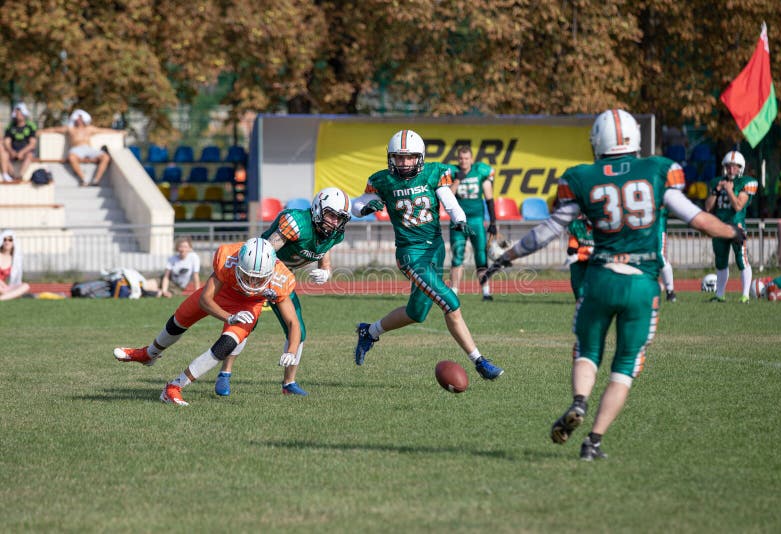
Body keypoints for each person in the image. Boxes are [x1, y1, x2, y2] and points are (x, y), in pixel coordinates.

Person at [481, 109, 745, 461]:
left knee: (587, 351)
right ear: (634, 139)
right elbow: (697, 218)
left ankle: (579, 401)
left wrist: (505, 257)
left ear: (597, 142)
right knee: (625, 367)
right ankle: (593, 441)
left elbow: (546, 232)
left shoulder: (582, 177)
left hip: (601, 276)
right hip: (642, 282)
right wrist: (734, 231)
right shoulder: (658, 170)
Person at [350, 129, 503, 380]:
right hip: (411, 255)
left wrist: (460, 220)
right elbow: (357, 205)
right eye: (399, 157)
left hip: (435, 249)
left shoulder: (433, 173)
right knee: (451, 304)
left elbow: (449, 201)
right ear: (391, 158)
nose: (404, 162)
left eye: (409, 157)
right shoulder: (383, 180)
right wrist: (367, 206)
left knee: (416, 313)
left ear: (419, 157)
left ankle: (370, 332)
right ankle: (480, 362)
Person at [113, 238, 301, 406]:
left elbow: (293, 322)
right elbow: (205, 300)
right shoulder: (228, 258)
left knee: (226, 344)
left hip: (249, 306)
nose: (252, 282)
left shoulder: (281, 278)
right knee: (180, 319)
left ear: (270, 271)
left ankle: (174, 386)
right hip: (221, 294)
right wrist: (228, 316)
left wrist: (292, 351)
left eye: (258, 278)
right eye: (247, 275)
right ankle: (148, 354)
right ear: (239, 265)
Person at [214, 187, 352, 397]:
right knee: (243, 326)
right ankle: (225, 373)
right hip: (259, 274)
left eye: (339, 218)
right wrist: (261, 282)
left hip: (281, 279)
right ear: (317, 209)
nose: (334, 222)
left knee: (298, 330)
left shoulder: (335, 231)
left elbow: (325, 247)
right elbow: (266, 253)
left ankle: (289, 383)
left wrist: (325, 269)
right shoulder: (296, 224)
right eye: (331, 215)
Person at [704, 150, 758, 303]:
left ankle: (745, 295)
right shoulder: (717, 182)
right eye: (728, 166)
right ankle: (720, 295)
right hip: (719, 226)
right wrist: (717, 190)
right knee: (720, 262)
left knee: (742, 260)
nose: (731, 170)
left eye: (735, 167)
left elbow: (738, 206)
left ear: (740, 168)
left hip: (737, 227)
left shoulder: (746, 182)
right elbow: (707, 208)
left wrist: (728, 190)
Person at [447, 145, 497, 300]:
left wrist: (493, 222)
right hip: (457, 220)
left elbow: (489, 198)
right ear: (458, 159)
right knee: (457, 255)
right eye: (461, 158)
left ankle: (486, 291)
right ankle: (454, 292)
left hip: (476, 220)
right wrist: (457, 179)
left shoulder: (479, 171)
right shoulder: (453, 172)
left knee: (481, 256)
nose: (463, 161)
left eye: (466, 158)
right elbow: (447, 195)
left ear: (472, 159)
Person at [38, 109, 117, 186]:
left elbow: (104, 130)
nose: (78, 120)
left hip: (88, 149)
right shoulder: (70, 129)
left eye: (80, 118)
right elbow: (54, 130)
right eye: (77, 118)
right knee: (71, 157)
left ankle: (96, 180)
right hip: (76, 149)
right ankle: (83, 179)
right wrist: (41, 131)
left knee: (105, 157)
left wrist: (119, 132)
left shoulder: (89, 129)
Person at [4, 103, 37, 181]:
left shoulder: (31, 126)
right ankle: (11, 174)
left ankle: (20, 175)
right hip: (13, 152)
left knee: (30, 155)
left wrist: (22, 152)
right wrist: (11, 151)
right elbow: (7, 142)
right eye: (17, 113)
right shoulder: (10, 126)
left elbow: (32, 144)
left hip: (25, 152)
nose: (18, 115)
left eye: (20, 113)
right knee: (3, 153)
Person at [565, 214, 593, 300]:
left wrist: (579, 254)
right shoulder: (576, 225)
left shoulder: (606, 228)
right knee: (577, 286)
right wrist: (584, 252)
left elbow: (600, 250)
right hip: (579, 262)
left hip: (597, 261)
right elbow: (572, 250)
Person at [0, 229, 31, 300]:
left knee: (26, 286)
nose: (7, 242)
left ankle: (2, 298)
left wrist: (6, 288)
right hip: (2, 287)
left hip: (4, 288)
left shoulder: (15, 260)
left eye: (10, 240)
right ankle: (10, 296)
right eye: (5, 240)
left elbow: (16, 280)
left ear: (13, 242)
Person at [659, 207, 677, 302]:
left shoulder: (661, 192)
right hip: (638, 230)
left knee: (660, 257)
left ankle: (670, 292)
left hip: (657, 228)